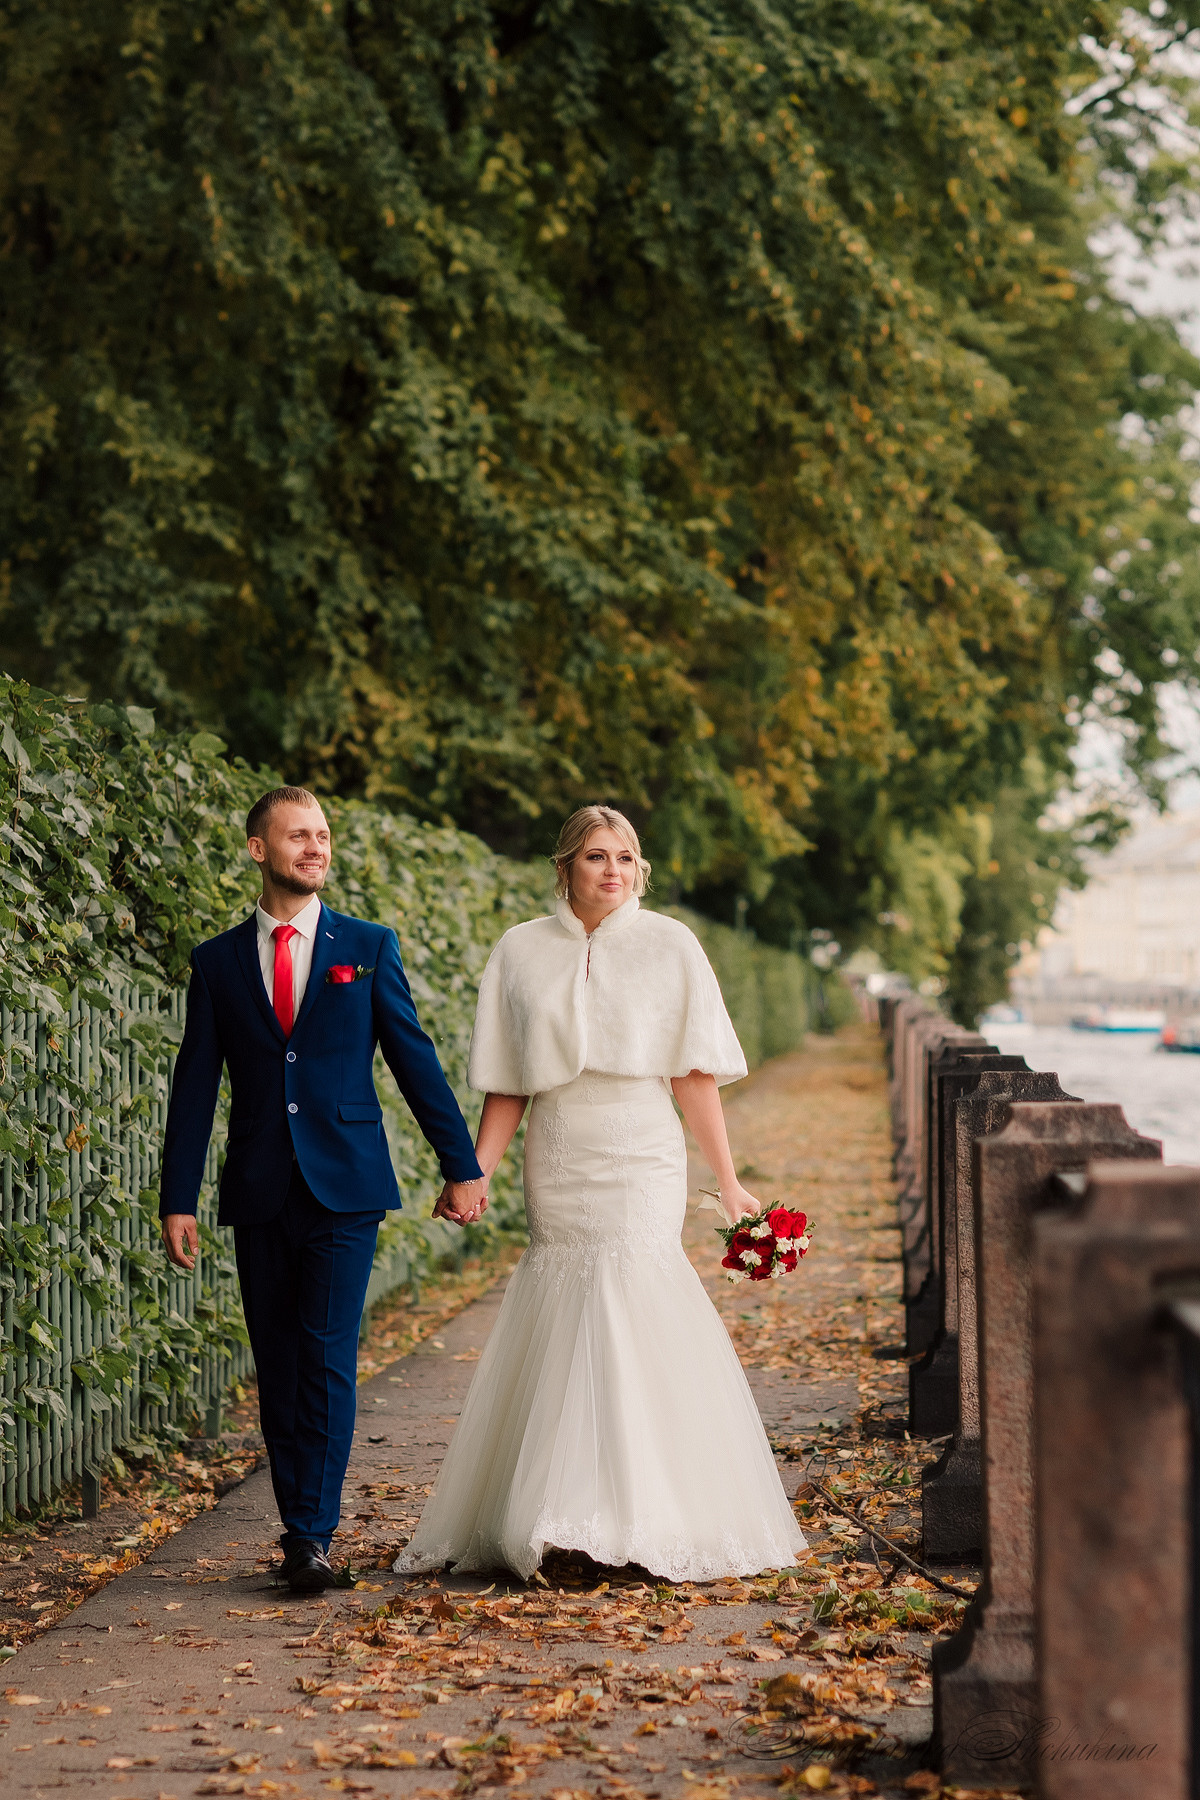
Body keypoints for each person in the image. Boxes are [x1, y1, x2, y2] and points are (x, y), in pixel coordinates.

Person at [395, 804, 806, 1582]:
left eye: (625, 857)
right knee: (565, 1300)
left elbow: (693, 1074)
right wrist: (474, 1170)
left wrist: (728, 1179)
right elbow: (508, 1080)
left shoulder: (670, 944)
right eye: (594, 857)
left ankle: (643, 1514)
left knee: (634, 1293)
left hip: (643, 1151)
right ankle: (557, 1517)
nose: (612, 870)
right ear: (565, 868)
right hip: (560, 1150)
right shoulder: (520, 950)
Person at [159, 786, 487, 1592]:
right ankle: (296, 1526)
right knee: (278, 1362)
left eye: (323, 836)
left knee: (328, 1358)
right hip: (261, 1186)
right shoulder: (218, 961)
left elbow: (414, 1060)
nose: (315, 848)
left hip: (347, 1184)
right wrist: (178, 1197)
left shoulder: (368, 946)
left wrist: (462, 1163)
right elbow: (195, 1084)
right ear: (258, 849)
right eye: (297, 836)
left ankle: (312, 1537)